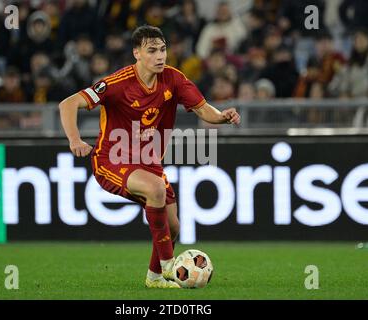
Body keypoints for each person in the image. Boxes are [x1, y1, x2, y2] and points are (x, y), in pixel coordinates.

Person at [58, 25, 240, 289]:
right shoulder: (116, 84)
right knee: (155, 189)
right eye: (152, 50)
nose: (160, 56)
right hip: (111, 160)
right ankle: (169, 267)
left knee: (173, 227)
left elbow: (203, 110)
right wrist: (75, 140)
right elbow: (68, 103)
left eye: (163, 50)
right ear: (137, 53)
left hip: (149, 162)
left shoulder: (174, 79)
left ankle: (154, 278)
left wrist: (222, 116)